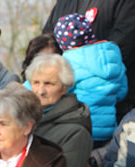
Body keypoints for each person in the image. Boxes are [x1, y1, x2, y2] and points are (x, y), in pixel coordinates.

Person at [42, 0, 135, 113]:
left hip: (115, 103)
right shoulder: (64, 3)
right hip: (63, 105)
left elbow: (124, 45)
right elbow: (46, 43)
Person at [54, 13, 128, 145]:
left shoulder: (69, 62)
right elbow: (122, 91)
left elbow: (58, 92)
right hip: (109, 128)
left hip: (81, 127)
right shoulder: (113, 55)